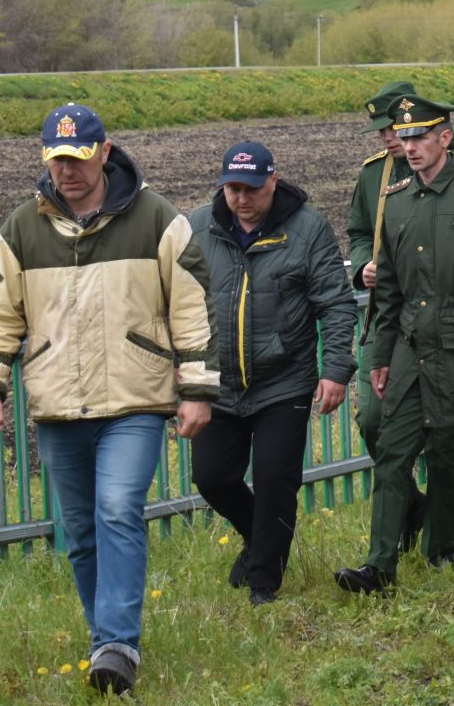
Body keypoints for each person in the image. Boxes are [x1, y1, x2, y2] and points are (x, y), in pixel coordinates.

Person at [0, 104, 219, 696]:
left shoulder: (157, 218)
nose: (68, 171)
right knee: (80, 532)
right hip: (58, 404)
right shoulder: (21, 229)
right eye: (57, 159)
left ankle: (117, 644)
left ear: (105, 152)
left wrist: (198, 388)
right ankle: (103, 637)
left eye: (78, 158)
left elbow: (190, 305)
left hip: (135, 402)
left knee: (116, 511)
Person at [334, 94, 454, 595]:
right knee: (393, 452)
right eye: (406, 137)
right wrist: (378, 355)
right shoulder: (396, 202)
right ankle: (379, 564)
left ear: (444, 137)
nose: (410, 146)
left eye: (420, 137)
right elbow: (390, 292)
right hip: (414, 348)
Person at [187, 141, 357, 604]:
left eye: (252, 189)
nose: (242, 199)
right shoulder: (196, 228)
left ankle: (264, 582)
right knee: (212, 477)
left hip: (284, 380)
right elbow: (173, 303)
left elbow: (336, 305)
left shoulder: (307, 229)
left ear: (273, 181)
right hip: (218, 383)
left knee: (275, 479)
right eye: (233, 189)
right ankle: (259, 538)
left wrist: (336, 368)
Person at [343, 80, 428, 548]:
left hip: (435, 318)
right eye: (382, 131)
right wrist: (362, 267)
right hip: (385, 321)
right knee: (373, 419)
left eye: (395, 127)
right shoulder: (373, 174)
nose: (389, 138)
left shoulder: (444, 167)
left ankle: (439, 535)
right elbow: (357, 232)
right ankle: (411, 500)